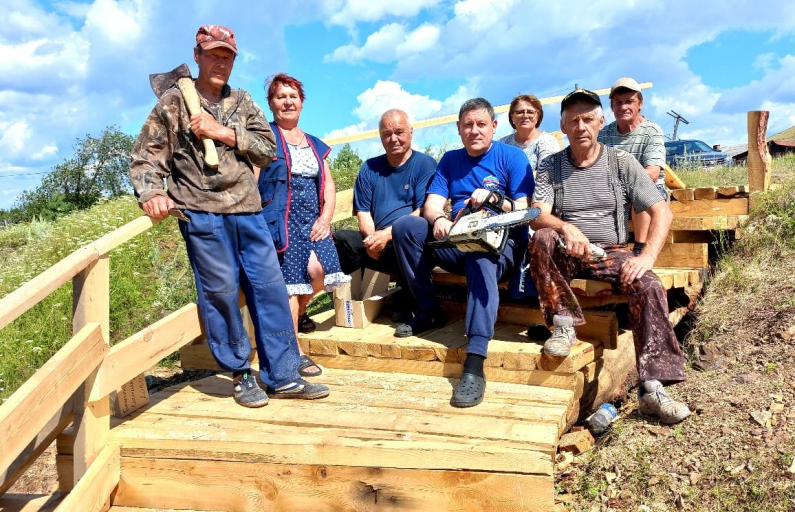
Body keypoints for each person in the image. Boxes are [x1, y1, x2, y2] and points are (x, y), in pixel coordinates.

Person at [130, 25, 328, 407]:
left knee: (270, 291)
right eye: (214, 55)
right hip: (202, 213)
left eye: (228, 57)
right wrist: (152, 191)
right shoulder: (174, 102)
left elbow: (267, 149)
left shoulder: (242, 101)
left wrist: (222, 132)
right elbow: (147, 156)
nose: (221, 62)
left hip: (249, 210)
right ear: (198, 56)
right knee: (220, 294)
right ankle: (240, 373)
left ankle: (283, 374)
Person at [528, 88, 690, 424]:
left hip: (611, 251)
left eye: (588, 118)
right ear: (563, 126)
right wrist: (566, 228)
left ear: (601, 121)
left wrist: (646, 257)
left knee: (648, 284)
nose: (581, 126)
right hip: (569, 250)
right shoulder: (551, 166)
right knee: (543, 237)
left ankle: (652, 388)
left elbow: (662, 211)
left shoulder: (620, 162)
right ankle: (562, 325)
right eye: (573, 120)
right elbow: (537, 213)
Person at [392, 98, 534, 408]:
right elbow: (431, 204)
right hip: (456, 240)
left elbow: (523, 211)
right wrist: (439, 218)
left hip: (501, 248)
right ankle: (430, 311)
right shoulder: (450, 160)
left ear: (494, 127)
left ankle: (475, 360)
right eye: (467, 125)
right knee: (405, 227)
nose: (474, 130)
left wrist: (496, 199)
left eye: (481, 124)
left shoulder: (513, 157)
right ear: (458, 129)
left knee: (480, 254)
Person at [258, 73, 350, 377]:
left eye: (292, 96)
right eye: (280, 96)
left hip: (312, 222)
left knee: (321, 273)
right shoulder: (266, 140)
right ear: (271, 103)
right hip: (281, 223)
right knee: (289, 291)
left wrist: (326, 218)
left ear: (301, 102)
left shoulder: (313, 144)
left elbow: (329, 186)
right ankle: (295, 352)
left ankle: (300, 314)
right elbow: (255, 181)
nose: (287, 101)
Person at [334, 109, 437, 323]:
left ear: (411, 132)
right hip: (378, 245)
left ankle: (406, 298)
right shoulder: (370, 168)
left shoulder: (424, 164)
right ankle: (358, 298)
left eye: (399, 132)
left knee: (406, 234)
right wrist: (372, 240)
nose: (393, 139)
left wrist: (386, 236)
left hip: (409, 242)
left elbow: (421, 211)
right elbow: (363, 212)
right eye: (387, 134)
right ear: (380, 137)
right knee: (343, 238)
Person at [598, 77, 667, 256]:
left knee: (639, 191)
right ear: (612, 106)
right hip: (613, 191)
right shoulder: (604, 133)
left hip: (650, 191)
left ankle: (639, 248)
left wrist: (620, 183)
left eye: (629, 101)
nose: (623, 107)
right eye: (618, 102)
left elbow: (652, 172)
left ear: (640, 104)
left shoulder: (651, 131)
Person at [499, 94, 560, 174]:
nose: (525, 116)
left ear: (538, 116)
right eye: (519, 112)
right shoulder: (502, 144)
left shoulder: (548, 141)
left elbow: (547, 173)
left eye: (530, 112)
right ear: (512, 116)